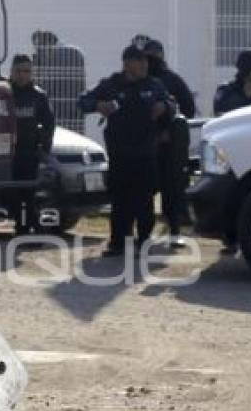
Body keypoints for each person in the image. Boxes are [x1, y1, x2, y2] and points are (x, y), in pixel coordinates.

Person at [79, 45, 175, 256]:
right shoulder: (111, 84)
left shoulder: (154, 84)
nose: (144, 65)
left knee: (144, 200)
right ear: (127, 63)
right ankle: (118, 243)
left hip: (146, 153)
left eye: (146, 61)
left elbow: (172, 103)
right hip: (120, 153)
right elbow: (83, 101)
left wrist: (165, 107)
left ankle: (144, 242)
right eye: (139, 61)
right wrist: (98, 105)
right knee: (120, 200)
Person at [144, 39, 195, 248]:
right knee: (144, 192)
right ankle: (143, 235)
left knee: (173, 191)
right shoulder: (139, 82)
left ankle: (174, 231)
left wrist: (169, 130)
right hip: (144, 145)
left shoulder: (171, 80)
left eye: (153, 56)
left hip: (169, 147)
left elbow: (188, 110)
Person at [9, 54, 56, 231]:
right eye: (18, 71)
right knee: (11, 193)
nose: (22, 75)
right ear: (11, 72)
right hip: (7, 155)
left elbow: (49, 124)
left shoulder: (38, 96)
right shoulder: (5, 93)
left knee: (28, 194)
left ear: (32, 73)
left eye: (26, 71)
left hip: (29, 153)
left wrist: (44, 148)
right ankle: (23, 225)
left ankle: (29, 227)